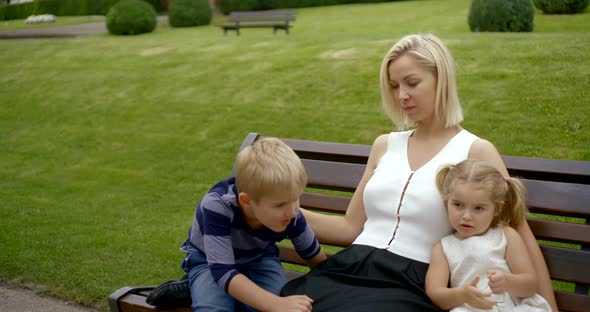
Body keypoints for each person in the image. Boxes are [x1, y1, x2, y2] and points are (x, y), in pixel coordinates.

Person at [281, 33, 558, 311]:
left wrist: (550, 307)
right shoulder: (384, 146)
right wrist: (284, 211)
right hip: (350, 266)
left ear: (442, 80)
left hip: (411, 282)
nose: (401, 95)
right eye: (393, 86)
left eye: (412, 83)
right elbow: (351, 228)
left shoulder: (476, 151)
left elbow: (519, 231)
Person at [180, 137, 327, 312]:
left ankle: (203, 291)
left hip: (259, 258)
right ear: (246, 201)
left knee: (273, 299)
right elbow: (223, 272)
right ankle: (194, 286)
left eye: (296, 199)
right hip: (209, 261)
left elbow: (314, 257)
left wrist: (334, 287)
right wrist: (275, 303)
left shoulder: (291, 213)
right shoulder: (217, 206)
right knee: (214, 307)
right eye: (280, 205)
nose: (293, 211)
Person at [426, 159, 552, 311]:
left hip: (512, 307)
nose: (466, 216)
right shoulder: (443, 248)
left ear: (497, 209)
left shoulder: (506, 236)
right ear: (447, 202)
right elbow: (435, 293)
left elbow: (530, 284)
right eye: (458, 205)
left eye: (478, 208)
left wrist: (508, 282)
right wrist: (462, 295)